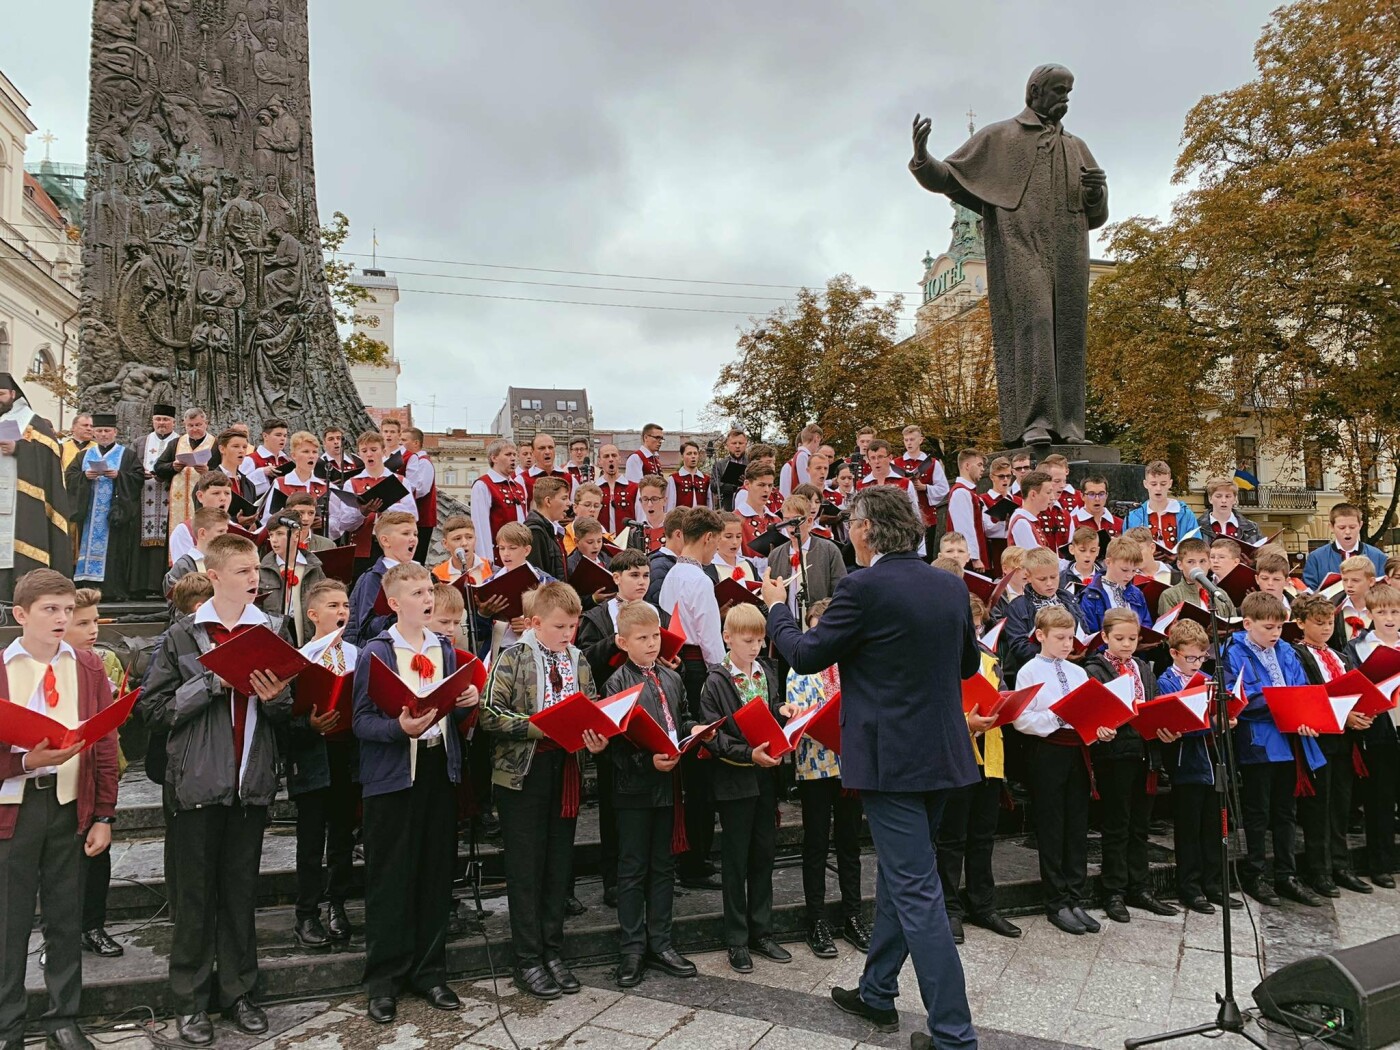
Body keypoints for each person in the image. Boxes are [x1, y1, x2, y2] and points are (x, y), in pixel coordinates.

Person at [761, 484, 978, 1049]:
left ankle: (954, 1035)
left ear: (863, 530)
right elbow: (966, 663)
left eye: (849, 526)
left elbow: (807, 654)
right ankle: (877, 991)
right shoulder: (948, 585)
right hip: (944, 755)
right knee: (906, 881)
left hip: (891, 762)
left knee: (915, 889)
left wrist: (777, 608)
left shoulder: (862, 586)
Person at [138, 534, 293, 1045]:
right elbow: (153, 712)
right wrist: (211, 683)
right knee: (195, 894)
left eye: (257, 570)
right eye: (245, 569)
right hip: (197, 783)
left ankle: (239, 992)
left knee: (240, 891)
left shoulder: (272, 628)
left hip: (250, 781)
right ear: (216, 574)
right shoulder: (184, 634)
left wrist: (274, 700)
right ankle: (190, 1000)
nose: (256, 577)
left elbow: (287, 713)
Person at [353, 562, 477, 1023]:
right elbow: (361, 721)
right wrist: (399, 728)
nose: (428, 599)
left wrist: (467, 704)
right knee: (389, 875)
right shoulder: (376, 652)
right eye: (418, 592)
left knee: (434, 871)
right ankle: (383, 979)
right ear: (393, 602)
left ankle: (430, 971)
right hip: (391, 774)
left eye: (430, 590)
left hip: (435, 770)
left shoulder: (444, 648)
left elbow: (453, 720)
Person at [0, 570, 119, 1050]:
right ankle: (8, 1025)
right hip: (14, 808)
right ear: (21, 615)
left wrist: (105, 814)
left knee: (65, 917)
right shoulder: (3, 667)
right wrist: (26, 760)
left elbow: (105, 741)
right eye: (50, 609)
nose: (62, 618)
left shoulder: (88, 667)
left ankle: (63, 1019)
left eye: (68, 610)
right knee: (9, 921)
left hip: (69, 804)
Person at [479, 583, 606, 1000]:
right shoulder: (513, 657)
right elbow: (489, 714)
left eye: (572, 625)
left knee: (558, 864)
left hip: (565, 767)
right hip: (522, 773)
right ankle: (527, 958)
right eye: (559, 626)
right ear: (535, 623)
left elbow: (590, 704)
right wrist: (540, 725)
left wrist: (596, 734)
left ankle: (553, 951)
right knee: (526, 867)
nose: (568, 634)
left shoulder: (578, 659)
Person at [604, 602, 707, 987]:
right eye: (642, 638)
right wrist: (648, 764)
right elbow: (616, 745)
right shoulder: (616, 683)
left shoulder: (672, 677)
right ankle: (632, 947)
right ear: (622, 641)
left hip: (669, 786)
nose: (651, 644)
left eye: (655, 636)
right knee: (632, 869)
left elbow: (679, 717)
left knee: (664, 866)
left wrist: (694, 729)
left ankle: (661, 942)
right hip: (634, 789)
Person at [700, 603, 790, 974]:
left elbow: (773, 705)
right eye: (747, 640)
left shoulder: (766, 670)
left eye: (760, 640)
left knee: (763, 855)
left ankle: (762, 930)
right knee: (735, 861)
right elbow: (712, 736)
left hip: (765, 776)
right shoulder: (716, 680)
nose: (755, 647)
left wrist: (786, 710)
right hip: (736, 777)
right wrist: (747, 753)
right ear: (728, 638)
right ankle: (736, 939)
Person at [1223, 591, 1326, 908]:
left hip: (1292, 739)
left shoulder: (1286, 650)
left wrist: (1303, 713)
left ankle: (1286, 874)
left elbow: (1299, 687)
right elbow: (1243, 697)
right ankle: (1255, 874)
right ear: (1248, 623)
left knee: (1286, 812)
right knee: (1257, 812)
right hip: (1260, 741)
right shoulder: (1233, 650)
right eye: (1268, 628)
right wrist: (1285, 704)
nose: (1275, 634)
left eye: (1279, 628)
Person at [782, 598, 871, 958]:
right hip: (816, 765)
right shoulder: (800, 669)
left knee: (850, 843)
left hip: (851, 765)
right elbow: (801, 713)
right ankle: (815, 919)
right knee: (816, 842)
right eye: (817, 627)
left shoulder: (856, 665)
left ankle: (852, 914)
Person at [1013, 606, 1105, 935]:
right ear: (1041, 636)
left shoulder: (1078, 672)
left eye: (1071, 638)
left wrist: (1098, 726)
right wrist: (1057, 717)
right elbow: (1022, 720)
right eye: (1060, 638)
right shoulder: (1029, 672)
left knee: (1076, 825)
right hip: (1047, 751)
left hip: (1077, 751)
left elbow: (1088, 711)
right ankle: (1056, 901)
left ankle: (1075, 896)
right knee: (1052, 826)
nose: (1068, 644)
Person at [1082, 608, 1176, 921]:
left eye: (1132, 638)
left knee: (1140, 827)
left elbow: (1154, 704)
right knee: (1116, 826)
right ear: (1105, 637)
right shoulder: (1095, 670)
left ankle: (1141, 887)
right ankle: (1114, 891)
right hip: (1116, 757)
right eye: (1119, 638)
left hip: (1146, 754)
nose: (1126, 645)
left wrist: (1165, 726)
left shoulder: (1143, 669)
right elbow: (1092, 713)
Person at [937, 598, 1021, 942]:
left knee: (983, 836)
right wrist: (965, 723)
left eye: (976, 627)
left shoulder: (990, 659)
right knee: (951, 838)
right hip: (955, 758)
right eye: (965, 627)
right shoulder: (940, 661)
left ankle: (983, 904)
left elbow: (998, 694)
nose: (972, 633)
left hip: (991, 755)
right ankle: (949, 908)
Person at [286, 580, 359, 948]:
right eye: (333, 606)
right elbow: (284, 717)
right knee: (311, 840)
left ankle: (338, 904)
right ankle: (307, 913)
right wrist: (307, 725)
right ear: (313, 614)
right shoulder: (300, 659)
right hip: (312, 755)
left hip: (347, 754)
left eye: (345, 605)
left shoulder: (357, 655)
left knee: (342, 837)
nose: (342, 612)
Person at [658, 509, 727, 891]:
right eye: (716, 540)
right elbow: (710, 637)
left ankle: (689, 853)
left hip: (678, 665)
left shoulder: (671, 574)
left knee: (692, 770)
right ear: (707, 539)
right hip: (700, 667)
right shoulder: (699, 580)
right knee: (701, 766)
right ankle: (695, 859)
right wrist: (723, 674)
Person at [1291, 592, 1371, 898]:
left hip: (1345, 740)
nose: (1326, 628)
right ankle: (1319, 869)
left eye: (1329, 623)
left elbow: (1354, 690)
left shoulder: (1342, 656)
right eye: (1319, 622)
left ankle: (1341, 865)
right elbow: (1309, 696)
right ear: (1300, 623)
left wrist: (1363, 713)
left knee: (1341, 805)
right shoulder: (1297, 655)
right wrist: (1345, 716)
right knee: (1317, 808)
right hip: (1318, 738)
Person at [1156, 620, 1239, 913]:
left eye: (1201, 657)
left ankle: (1214, 884)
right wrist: (1212, 724)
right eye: (1190, 657)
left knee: (1215, 828)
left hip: (1214, 762)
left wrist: (1229, 717)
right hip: (1186, 764)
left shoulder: (1209, 678)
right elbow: (1176, 722)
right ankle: (1190, 886)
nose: (1196, 663)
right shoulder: (1166, 681)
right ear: (1175, 653)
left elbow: (1220, 711)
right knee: (1189, 830)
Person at [64, 588, 127, 960]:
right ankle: (63, 933)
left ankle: (93, 925)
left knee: (97, 856)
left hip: (96, 769)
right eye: (82, 622)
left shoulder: (100, 662)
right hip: (59, 774)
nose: (93, 629)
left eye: (95, 621)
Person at [1342, 583, 1400, 890]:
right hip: (1380, 730)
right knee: (1380, 801)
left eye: (1395, 611)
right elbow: (1354, 689)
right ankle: (1381, 864)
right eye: (1381, 612)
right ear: (1370, 614)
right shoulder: (1359, 648)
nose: (1389, 618)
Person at [0, 374, 73, 600]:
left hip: (20, 500)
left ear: (13, 394)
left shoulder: (30, 420)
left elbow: (51, 452)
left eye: (1, 394)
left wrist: (19, 449)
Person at [66, 413, 143, 601]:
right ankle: (88, 586)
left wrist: (119, 475)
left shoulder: (127, 455)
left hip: (114, 512)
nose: (103, 434)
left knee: (115, 550)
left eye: (107, 430)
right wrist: (85, 476)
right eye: (99, 431)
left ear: (115, 432)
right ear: (93, 433)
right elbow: (70, 476)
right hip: (89, 513)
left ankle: (112, 590)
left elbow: (138, 477)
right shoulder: (83, 455)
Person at [332, 431, 417, 572]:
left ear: (383, 452)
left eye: (373, 450)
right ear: (359, 454)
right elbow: (345, 523)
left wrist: (386, 508)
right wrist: (362, 512)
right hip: (363, 546)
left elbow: (413, 516)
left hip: (394, 545)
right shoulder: (352, 483)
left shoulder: (400, 481)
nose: (369, 454)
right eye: (364, 451)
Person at [999, 547, 1086, 682]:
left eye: (1054, 577)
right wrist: (1055, 653)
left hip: (1074, 668)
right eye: (1042, 579)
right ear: (1028, 576)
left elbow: (1084, 629)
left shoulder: (1068, 598)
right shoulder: (1017, 607)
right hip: (1037, 674)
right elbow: (1019, 647)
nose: (1049, 583)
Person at [768, 494, 846, 619]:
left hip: (820, 624)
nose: (791, 527)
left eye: (796, 521)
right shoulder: (776, 555)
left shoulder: (829, 550)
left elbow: (840, 592)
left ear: (809, 521)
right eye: (786, 521)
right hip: (788, 625)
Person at [346, 511, 418, 645]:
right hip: (383, 651)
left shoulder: (424, 574)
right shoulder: (373, 578)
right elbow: (366, 627)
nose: (413, 538)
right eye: (405, 533)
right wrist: (405, 616)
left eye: (415, 534)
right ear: (385, 540)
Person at [258, 517, 326, 646]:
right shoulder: (263, 569)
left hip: (307, 635)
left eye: (280, 534)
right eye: (271, 535)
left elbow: (323, 601)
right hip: (276, 639)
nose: (274, 540)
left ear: (296, 535)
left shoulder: (312, 567)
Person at [135, 404, 180, 596]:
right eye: (158, 420)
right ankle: (142, 586)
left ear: (173, 422)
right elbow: (131, 466)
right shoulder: (141, 442)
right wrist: (140, 473)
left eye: (166, 420)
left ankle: (164, 586)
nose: (161, 423)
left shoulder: (180, 442)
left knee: (167, 540)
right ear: (152, 421)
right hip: (145, 496)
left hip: (171, 498)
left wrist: (166, 473)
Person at [154, 408, 216, 543]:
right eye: (190, 425)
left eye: (198, 425)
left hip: (203, 500)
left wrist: (208, 471)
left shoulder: (215, 444)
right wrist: (172, 466)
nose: (194, 429)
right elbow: (158, 467)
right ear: (184, 425)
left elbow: (223, 473)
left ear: (206, 423)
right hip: (178, 500)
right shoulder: (176, 443)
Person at [1303, 503, 1389, 590]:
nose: (1347, 532)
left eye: (1352, 527)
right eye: (1342, 527)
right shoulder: (1316, 557)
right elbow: (1309, 591)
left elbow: (1384, 590)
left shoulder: (1378, 556)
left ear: (1360, 525)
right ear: (1332, 527)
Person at [1077, 536, 1151, 633]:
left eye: (1134, 570)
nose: (1129, 576)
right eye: (1124, 570)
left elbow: (1146, 623)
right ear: (1108, 562)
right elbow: (1090, 633)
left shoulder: (1137, 593)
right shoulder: (1090, 596)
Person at [471, 439, 527, 563]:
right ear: (494, 458)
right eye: (508, 455)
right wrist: (485, 561)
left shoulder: (518, 486)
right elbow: (480, 525)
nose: (513, 458)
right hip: (497, 556)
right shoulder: (483, 485)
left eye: (514, 455)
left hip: (519, 555)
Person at [1125, 461, 1200, 551]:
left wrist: (1178, 556)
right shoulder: (1133, 517)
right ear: (1145, 484)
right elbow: (1127, 550)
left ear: (1170, 483)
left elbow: (1197, 546)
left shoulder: (1185, 514)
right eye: (1153, 484)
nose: (1158, 488)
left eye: (1163, 484)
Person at [259, 431, 327, 529]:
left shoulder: (324, 486)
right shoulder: (281, 483)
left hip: (317, 540)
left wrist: (325, 522)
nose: (311, 456)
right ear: (294, 455)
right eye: (306, 451)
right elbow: (268, 519)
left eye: (315, 452)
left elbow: (337, 519)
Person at [1158, 538, 1238, 619]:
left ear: (1209, 563)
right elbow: (1169, 629)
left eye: (1202, 561)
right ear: (1180, 565)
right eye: (1190, 562)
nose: (1197, 567)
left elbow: (1234, 623)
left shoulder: (1220, 593)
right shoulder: (1170, 595)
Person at [163, 507, 230, 598]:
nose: (225, 536)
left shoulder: (228, 561)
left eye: (226, 531)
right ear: (202, 533)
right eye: (220, 531)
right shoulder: (183, 567)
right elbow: (176, 607)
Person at [945, 449, 990, 571]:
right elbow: (964, 528)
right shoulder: (961, 492)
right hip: (966, 561)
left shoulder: (970, 493)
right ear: (967, 466)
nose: (982, 469)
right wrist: (974, 557)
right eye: (979, 465)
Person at [524, 477, 571, 582]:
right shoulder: (535, 532)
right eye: (564, 498)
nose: (569, 503)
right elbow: (537, 578)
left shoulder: (553, 531)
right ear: (548, 501)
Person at [403, 428, 437, 565]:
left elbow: (422, 489)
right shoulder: (415, 461)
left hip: (422, 518)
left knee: (416, 557)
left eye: (404, 440)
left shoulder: (423, 462)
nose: (401, 444)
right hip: (417, 518)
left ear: (416, 443)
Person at [1200, 476, 1262, 545]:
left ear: (1235, 499)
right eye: (1218, 496)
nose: (1223, 500)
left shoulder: (1251, 528)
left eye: (1228, 496)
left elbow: (1260, 553)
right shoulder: (1198, 527)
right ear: (1210, 499)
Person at [643, 507, 687, 603]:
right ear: (678, 535)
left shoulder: (682, 562)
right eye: (692, 535)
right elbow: (660, 606)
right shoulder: (658, 567)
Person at [595, 444, 639, 536]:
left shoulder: (634, 488)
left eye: (614, 455)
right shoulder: (593, 489)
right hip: (600, 543)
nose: (611, 459)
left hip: (628, 543)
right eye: (606, 456)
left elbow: (640, 518)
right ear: (599, 461)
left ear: (619, 459)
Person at [241, 418, 291, 497]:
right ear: (265, 436)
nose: (282, 439)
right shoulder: (250, 460)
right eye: (278, 435)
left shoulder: (287, 461)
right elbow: (240, 487)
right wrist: (262, 472)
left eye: (285, 436)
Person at [1006, 469, 1054, 550]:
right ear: (1033, 495)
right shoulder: (1022, 523)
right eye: (1048, 493)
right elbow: (1034, 558)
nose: (1052, 497)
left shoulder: (1028, 520)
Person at [710, 428, 749, 512]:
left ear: (746, 444)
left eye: (740, 443)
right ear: (727, 445)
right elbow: (713, 485)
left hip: (748, 508)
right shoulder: (719, 465)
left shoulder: (752, 463)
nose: (737, 446)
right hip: (727, 510)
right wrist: (733, 486)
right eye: (734, 443)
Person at [666, 440, 711, 510]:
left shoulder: (706, 479)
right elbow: (670, 505)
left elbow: (710, 504)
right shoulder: (674, 479)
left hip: (702, 519)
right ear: (682, 456)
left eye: (695, 453)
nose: (693, 456)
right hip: (681, 519)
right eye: (689, 453)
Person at [1060, 526, 1102, 595]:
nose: (1088, 555)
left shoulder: (1106, 577)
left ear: (1098, 551)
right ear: (1071, 549)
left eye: (1093, 550)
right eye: (1082, 550)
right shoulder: (1061, 580)